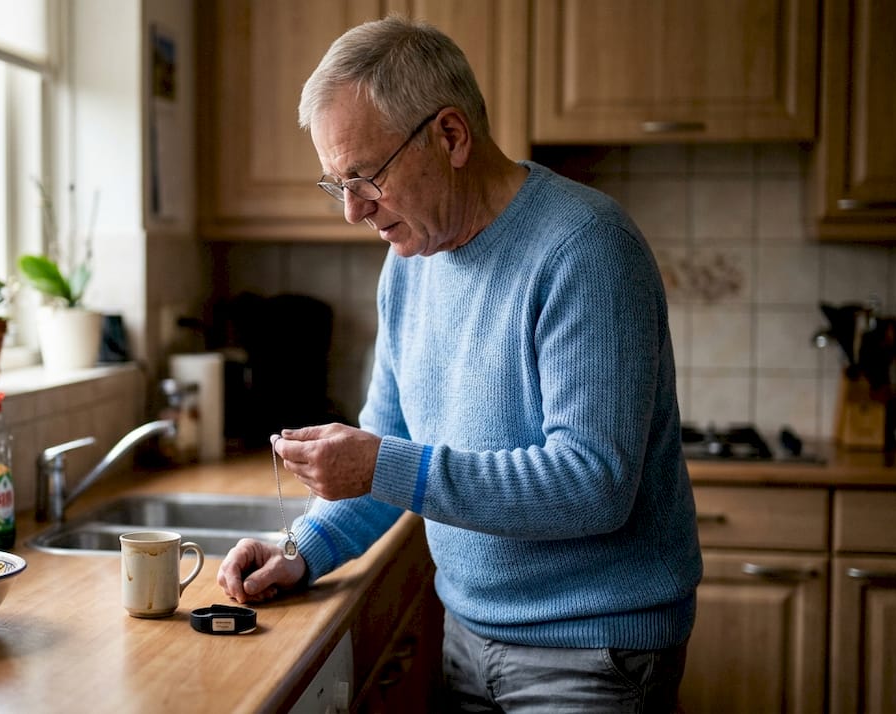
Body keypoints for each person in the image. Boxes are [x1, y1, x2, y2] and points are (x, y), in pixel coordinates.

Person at [216, 15, 702, 713]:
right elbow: (386, 449)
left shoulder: (587, 249)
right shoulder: (408, 264)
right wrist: (301, 551)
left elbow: (593, 484)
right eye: (337, 184)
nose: (352, 211)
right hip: (468, 636)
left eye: (365, 176)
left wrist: (379, 464)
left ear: (450, 136)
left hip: (594, 654)